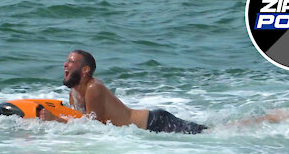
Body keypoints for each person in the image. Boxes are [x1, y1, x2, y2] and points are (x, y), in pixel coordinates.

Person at [39, 50, 208, 134]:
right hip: (148, 127)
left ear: (85, 70)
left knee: (207, 133)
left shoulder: (93, 88)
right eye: (66, 61)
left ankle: (233, 126)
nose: (65, 65)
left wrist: (57, 120)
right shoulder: (73, 93)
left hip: (155, 123)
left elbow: (94, 126)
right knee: (203, 132)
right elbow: (81, 121)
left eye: (71, 62)